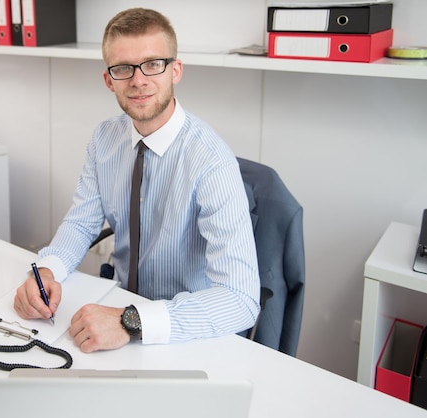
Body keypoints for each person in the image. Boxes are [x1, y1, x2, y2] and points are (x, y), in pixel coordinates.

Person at [14, 8, 260, 353]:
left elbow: (240, 300)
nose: (138, 80)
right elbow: (82, 223)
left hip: (183, 328)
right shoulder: (105, 139)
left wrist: (131, 321)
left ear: (175, 71)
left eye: (153, 64)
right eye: (123, 68)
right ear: (108, 79)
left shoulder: (211, 162)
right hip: (116, 308)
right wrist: (46, 270)